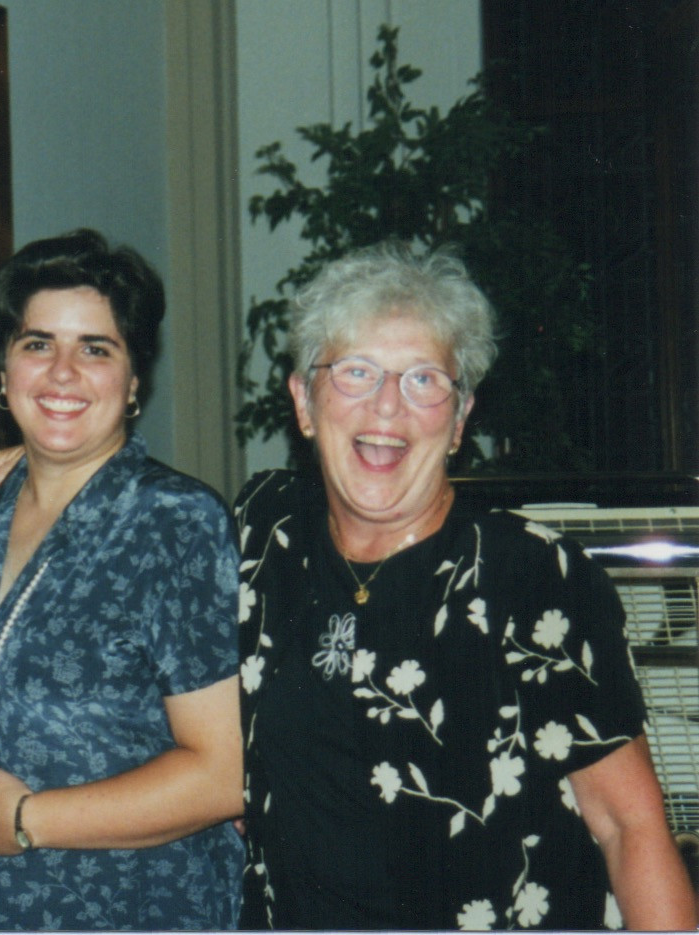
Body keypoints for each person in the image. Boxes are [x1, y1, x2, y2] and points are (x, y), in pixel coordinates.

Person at [234, 242, 695, 929]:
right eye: (354, 371)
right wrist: (30, 477)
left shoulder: (535, 575)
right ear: (303, 400)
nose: (386, 406)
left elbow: (627, 826)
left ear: (458, 419)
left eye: (423, 379)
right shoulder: (261, 530)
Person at [0, 229, 243, 930]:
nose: (61, 371)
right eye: (37, 343)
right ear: (4, 372)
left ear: (133, 383)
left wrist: (29, 819)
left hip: (140, 905)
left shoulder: (173, 523)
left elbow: (220, 774)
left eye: (95, 348)